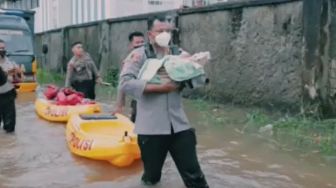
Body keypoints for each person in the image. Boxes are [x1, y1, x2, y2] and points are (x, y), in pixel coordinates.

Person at [119, 15, 209, 187]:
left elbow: (195, 82)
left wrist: (196, 66)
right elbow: (125, 83)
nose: (165, 34)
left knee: (195, 176)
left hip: (179, 125)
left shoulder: (180, 54)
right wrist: (160, 88)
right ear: (150, 34)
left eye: (169, 31)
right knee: (151, 178)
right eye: (161, 31)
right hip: (151, 129)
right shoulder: (138, 56)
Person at [113, 31, 145, 122]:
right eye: (137, 43)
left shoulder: (150, 54)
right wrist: (119, 104)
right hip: (139, 98)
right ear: (131, 45)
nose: (140, 45)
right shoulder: (131, 59)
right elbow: (123, 82)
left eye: (142, 42)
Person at [0, 39, 22, 133]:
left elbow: (19, 80)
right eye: (0, 48)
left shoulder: (11, 63)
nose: (2, 50)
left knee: (10, 128)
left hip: (8, 96)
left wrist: (17, 74)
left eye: (3, 48)